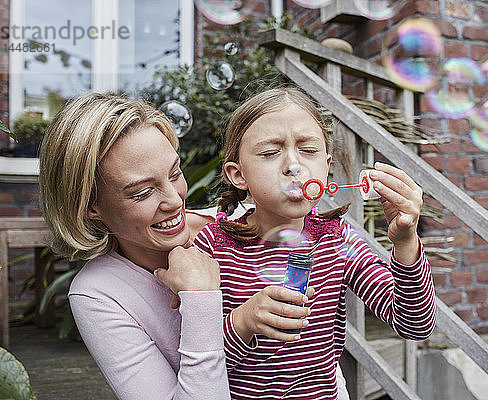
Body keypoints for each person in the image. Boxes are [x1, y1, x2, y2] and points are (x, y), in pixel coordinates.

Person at [39, 92, 348, 400]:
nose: (175, 201)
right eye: (142, 192)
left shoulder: (244, 224)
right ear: (90, 207)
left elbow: (317, 358)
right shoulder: (99, 294)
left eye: (175, 173)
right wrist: (202, 299)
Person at [193, 87, 437, 399]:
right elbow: (197, 363)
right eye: (270, 153)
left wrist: (405, 242)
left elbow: (414, 326)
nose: (293, 166)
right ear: (237, 174)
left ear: (326, 166)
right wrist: (244, 320)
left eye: (308, 151)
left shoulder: (337, 239)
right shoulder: (213, 247)